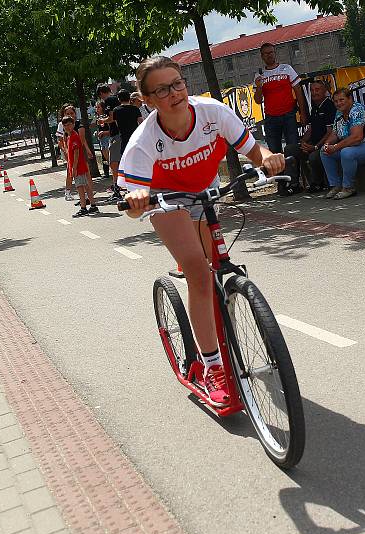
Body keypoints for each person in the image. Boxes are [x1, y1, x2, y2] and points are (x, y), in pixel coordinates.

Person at [120, 56, 284, 407]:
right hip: (165, 199)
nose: (174, 93)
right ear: (146, 100)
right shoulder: (143, 140)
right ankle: (213, 368)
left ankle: (224, 314)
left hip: (205, 188)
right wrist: (135, 198)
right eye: (162, 89)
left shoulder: (212, 113)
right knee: (197, 269)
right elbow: (130, 191)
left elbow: (254, 150)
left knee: (215, 266)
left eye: (177, 83)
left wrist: (267, 157)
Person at [253, 42, 308, 196]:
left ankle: (295, 182)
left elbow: (298, 90)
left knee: (292, 149)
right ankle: (282, 184)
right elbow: (257, 100)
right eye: (266, 53)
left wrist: (302, 113)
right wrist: (259, 86)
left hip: (289, 114)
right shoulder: (259, 75)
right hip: (271, 118)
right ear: (262, 56)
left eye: (271, 52)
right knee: (274, 152)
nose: (269, 55)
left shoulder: (286, 68)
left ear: (275, 53)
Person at [320, 88, 365, 200]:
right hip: (352, 147)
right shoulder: (339, 112)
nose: (338, 103)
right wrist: (327, 144)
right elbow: (335, 134)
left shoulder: (357, 110)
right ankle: (335, 185)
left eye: (341, 100)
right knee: (324, 151)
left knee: (346, 153)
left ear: (350, 99)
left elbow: (357, 137)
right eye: (336, 101)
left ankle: (348, 187)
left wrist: (335, 147)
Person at [283, 80, 335, 193]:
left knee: (314, 156)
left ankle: (318, 184)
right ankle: (294, 184)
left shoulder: (329, 106)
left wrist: (315, 147)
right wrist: (302, 142)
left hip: (325, 144)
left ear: (325, 91)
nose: (314, 93)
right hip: (312, 143)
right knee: (290, 149)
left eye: (317, 90)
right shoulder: (314, 107)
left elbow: (330, 132)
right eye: (312, 90)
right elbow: (310, 129)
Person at [62, 116, 99, 217]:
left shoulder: (74, 136)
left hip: (78, 166)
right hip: (78, 166)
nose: (67, 127)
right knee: (86, 186)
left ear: (73, 124)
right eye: (65, 126)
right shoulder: (70, 137)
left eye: (69, 125)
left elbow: (77, 153)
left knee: (80, 187)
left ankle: (83, 207)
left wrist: (73, 168)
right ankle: (93, 205)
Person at [56, 104, 94, 201]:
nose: (70, 115)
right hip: (69, 152)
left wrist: (87, 150)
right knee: (71, 172)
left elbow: (82, 139)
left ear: (75, 114)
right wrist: (66, 151)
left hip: (78, 152)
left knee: (84, 173)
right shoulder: (62, 124)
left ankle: (88, 195)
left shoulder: (78, 125)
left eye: (72, 113)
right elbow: (61, 140)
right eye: (67, 113)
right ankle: (69, 192)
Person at [96, 84, 122, 199]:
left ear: (101, 93)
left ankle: (117, 190)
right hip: (119, 134)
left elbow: (112, 117)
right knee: (117, 163)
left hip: (116, 134)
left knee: (113, 163)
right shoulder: (116, 99)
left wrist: (102, 120)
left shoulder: (109, 100)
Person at [95, 101, 111, 178]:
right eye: (96, 107)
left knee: (109, 155)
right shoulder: (98, 117)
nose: (97, 109)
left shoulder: (106, 116)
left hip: (107, 138)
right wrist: (97, 133)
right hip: (102, 140)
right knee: (105, 156)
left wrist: (104, 132)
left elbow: (110, 129)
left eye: (98, 107)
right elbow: (99, 128)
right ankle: (107, 172)